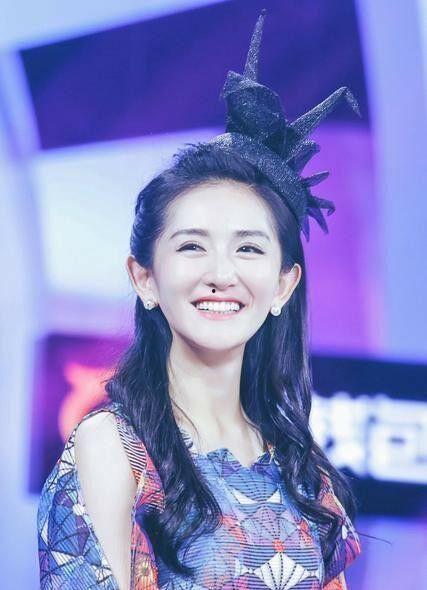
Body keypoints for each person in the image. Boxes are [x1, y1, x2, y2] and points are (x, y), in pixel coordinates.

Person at [37, 10, 362, 590]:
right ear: (145, 278)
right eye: (192, 246)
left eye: (249, 249)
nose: (221, 274)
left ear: (283, 286)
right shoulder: (115, 448)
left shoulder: (303, 469)